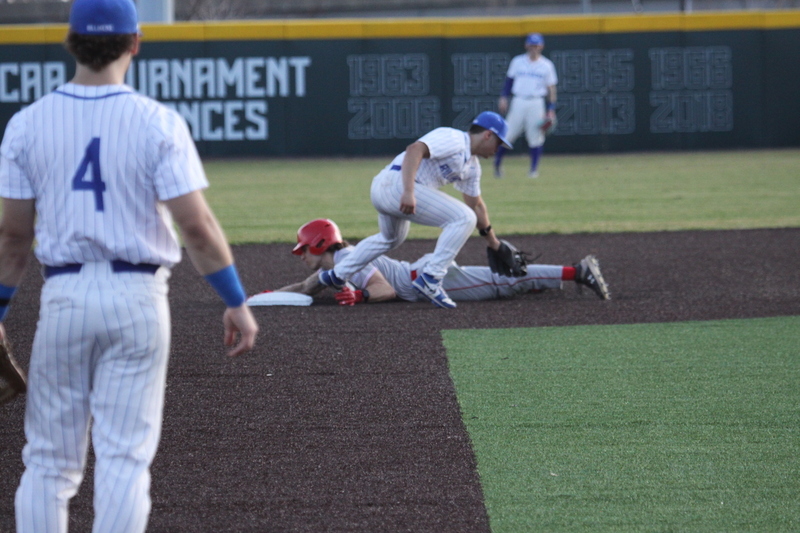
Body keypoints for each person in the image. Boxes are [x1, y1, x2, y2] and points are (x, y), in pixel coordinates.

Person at [0, 0, 259, 531]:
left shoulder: (26, 124)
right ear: (134, 43)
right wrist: (235, 300)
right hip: (138, 299)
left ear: (71, 43)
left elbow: (13, 239)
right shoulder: (156, 121)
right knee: (124, 458)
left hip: (65, 297)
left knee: (48, 461)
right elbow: (199, 228)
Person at [317, 111, 514, 310]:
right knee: (463, 218)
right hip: (397, 185)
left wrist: (494, 243)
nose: (499, 149)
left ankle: (337, 274)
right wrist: (409, 191)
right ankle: (431, 277)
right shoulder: (454, 139)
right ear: (488, 134)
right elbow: (414, 149)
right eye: (499, 143)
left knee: (390, 238)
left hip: (389, 188)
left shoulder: (472, 167)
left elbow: (477, 204)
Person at [272, 219, 610, 304]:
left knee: (503, 282)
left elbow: (385, 289)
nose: (302, 255)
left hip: (431, 280)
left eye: (304, 249)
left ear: (320, 244)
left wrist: (360, 295)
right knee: (503, 284)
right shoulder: (341, 262)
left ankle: (578, 272)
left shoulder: (348, 258)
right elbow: (305, 288)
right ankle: (567, 275)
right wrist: (263, 299)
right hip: (424, 273)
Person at [494, 32, 558, 179]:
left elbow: (551, 89)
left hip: (536, 102)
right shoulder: (518, 61)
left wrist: (551, 109)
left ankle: (533, 170)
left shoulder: (547, 65)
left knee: (535, 137)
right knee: (507, 135)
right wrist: (504, 97)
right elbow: (509, 81)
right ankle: (497, 165)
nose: (533, 48)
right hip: (519, 100)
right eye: (531, 45)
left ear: (541, 46)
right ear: (526, 45)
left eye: (536, 45)